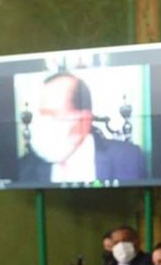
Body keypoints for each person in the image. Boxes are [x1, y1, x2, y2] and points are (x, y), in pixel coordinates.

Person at [18, 71, 146, 184]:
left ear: (84, 120)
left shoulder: (129, 158)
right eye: (41, 114)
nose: (41, 123)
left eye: (51, 114)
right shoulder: (24, 168)